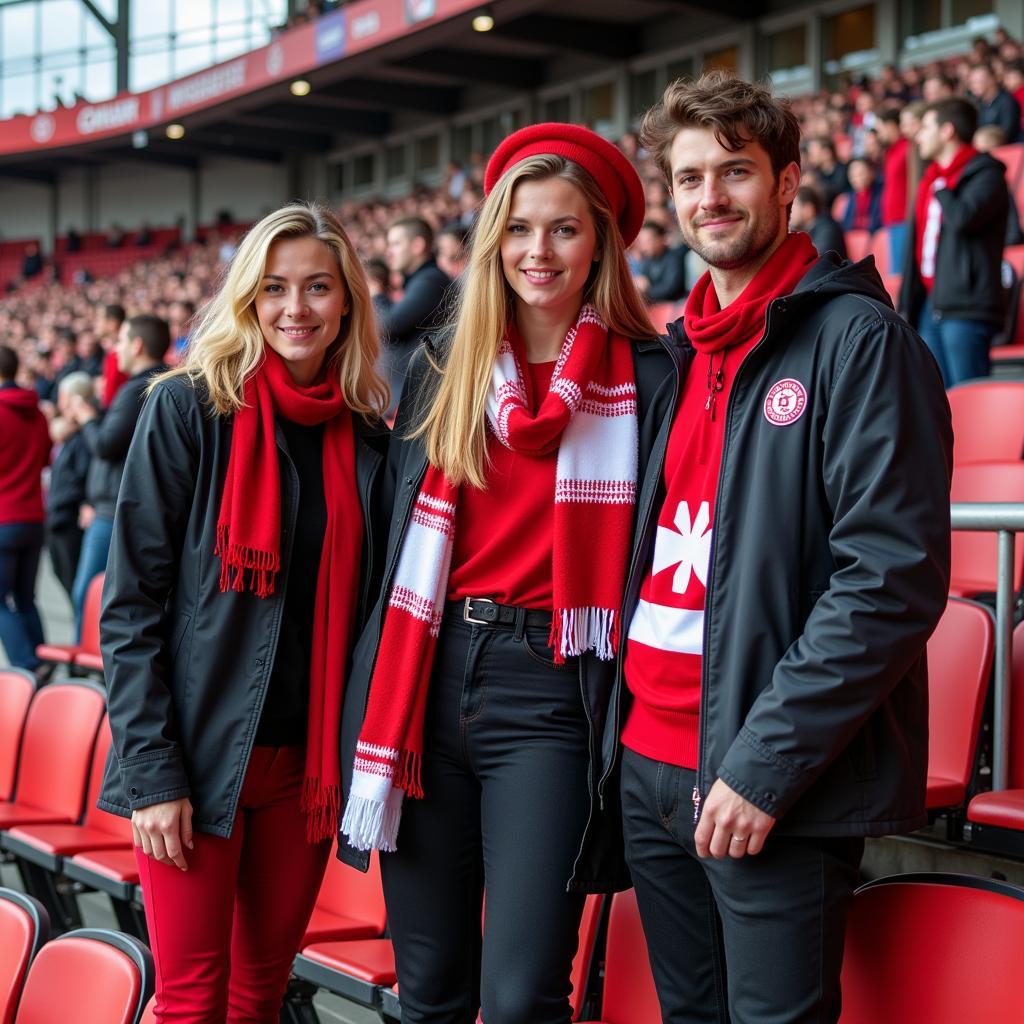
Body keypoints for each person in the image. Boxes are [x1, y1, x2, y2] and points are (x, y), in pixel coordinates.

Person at [618, 71, 952, 1024]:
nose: (709, 197)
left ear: (789, 180)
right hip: (649, 763)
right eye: (687, 179)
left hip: (763, 778)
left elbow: (888, 580)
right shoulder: (682, 352)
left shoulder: (858, 340)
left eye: (734, 171)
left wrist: (763, 766)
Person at [338, 123, 674, 1024]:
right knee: (431, 988)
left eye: (564, 229)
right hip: (427, 682)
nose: (539, 250)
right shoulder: (440, 369)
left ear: (599, 241)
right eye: (520, 228)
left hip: (554, 692)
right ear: (494, 239)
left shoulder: (654, 375)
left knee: (524, 994)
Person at [96, 201, 390, 1024]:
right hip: (194, 761)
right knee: (191, 1002)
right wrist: (153, 774)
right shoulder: (187, 408)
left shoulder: (368, 434)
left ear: (346, 303)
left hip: (305, 774)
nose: (296, 308)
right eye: (274, 289)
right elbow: (128, 608)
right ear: (247, 300)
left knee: (258, 998)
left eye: (318, 288)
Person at [65, 315, 172, 639]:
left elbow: (106, 445)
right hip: (122, 507)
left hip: (114, 512)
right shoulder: (165, 384)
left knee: (89, 595)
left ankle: (87, 671)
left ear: (137, 345)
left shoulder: (138, 387)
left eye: (122, 342)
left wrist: (86, 418)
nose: (116, 350)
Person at [899, 97, 1009, 386]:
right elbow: (917, 248)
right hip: (929, 306)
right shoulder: (930, 182)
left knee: (969, 399)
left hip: (966, 306)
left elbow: (963, 217)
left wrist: (943, 187)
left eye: (925, 127)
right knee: (937, 403)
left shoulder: (986, 174)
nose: (918, 135)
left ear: (947, 131)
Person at [0, 345, 51, 674]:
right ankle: (42, 659)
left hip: (4, 517)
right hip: (33, 516)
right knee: (26, 597)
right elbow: (46, 458)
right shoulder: (39, 412)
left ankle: (27, 665)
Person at [376, 216, 450, 412]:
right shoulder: (423, 280)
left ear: (417, 245)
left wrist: (377, 295)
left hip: (421, 403)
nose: (389, 252)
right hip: (413, 400)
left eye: (396, 244)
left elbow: (387, 328)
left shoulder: (430, 280)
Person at [45, 372, 95, 604]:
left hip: (70, 518)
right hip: (57, 515)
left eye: (64, 398)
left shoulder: (86, 436)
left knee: (76, 587)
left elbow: (86, 477)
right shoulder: (68, 434)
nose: (60, 403)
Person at [633, 220, 689, 303]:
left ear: (661, 239)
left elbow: (671, 289)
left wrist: (647, 290)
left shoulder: (673, 258)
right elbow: (641, 283)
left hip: (674, 306)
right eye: (642, 242)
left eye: (648, 241)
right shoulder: (646, 261)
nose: (644, 246)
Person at [968, 61, 1021, 143]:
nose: (973, 86)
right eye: (971, 82)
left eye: (977, 81)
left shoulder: (1007, 102)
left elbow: (1007, 134)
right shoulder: (978, 105)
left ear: (992, 79)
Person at [790, 186, 846, 258]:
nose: (790, 212)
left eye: (793, 207)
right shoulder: (802, 229)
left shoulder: (828, 229)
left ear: (808, 209)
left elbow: (815, 261)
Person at [841, 157, 883, 232]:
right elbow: (846, 224)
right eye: (852, 175)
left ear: (871, 172)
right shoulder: (851, 196)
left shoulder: (881, 193)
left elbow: (878, 222)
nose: (856, 178)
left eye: (861, 174)